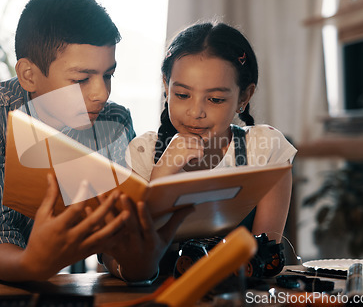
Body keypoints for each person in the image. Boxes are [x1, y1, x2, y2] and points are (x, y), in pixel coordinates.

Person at [0, 0, 190, 283]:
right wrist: (35, 266)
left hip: (43, 270)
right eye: (81, 79)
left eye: (108, 75)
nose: (101, 93)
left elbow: (115, 239)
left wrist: (134, 267)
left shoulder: (114, 121)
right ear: (29, 76)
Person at [126, 21, 297, 244]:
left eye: (215, 99)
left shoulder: (265, 151)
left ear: (244, 97)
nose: (196, 112)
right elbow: (132, 253)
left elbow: (263, 255)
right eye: (182, 95)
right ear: (166, 87)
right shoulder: (143, 152)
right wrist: (162, 173)